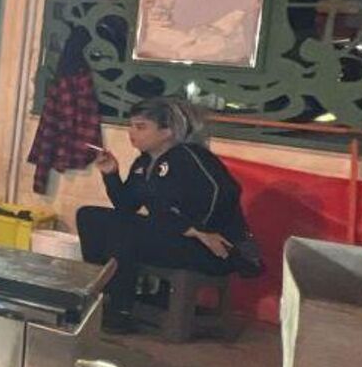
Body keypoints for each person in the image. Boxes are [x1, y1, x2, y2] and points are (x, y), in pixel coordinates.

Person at [76, 96, 261, 332]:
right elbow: (126, 208)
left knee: (126, 231)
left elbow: (224, 193)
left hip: (213, 246)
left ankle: (120, 310)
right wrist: (111, 174)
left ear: (167, 131)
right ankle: (101, 296)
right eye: (130, 126)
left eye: (141, 127)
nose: (132, 133)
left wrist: (198, 229)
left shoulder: (190, 156)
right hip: (176, 237)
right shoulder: (144, 162)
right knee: (90, 216)